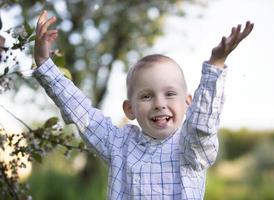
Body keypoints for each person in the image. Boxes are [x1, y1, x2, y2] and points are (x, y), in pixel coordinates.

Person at [34, 10, 253, 200]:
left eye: (169, 94)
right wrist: (45, 64)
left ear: (188, 103)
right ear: (130, 109)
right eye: (147, 96)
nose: (160, 104)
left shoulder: (190, 148)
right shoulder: (119, 145)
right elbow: (82, 114)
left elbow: (202, 126)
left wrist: (214, 66)